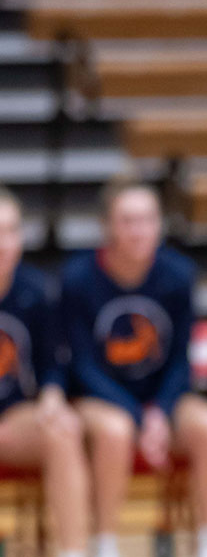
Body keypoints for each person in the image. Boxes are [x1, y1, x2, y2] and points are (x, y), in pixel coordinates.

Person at [62, 179, 207, 557]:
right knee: (115, 431)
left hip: (162, 398)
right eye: (128, 221)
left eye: (147, 220)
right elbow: (83, 365)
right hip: (101, 398)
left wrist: (160, 411)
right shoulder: (77, 279)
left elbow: (179, 360)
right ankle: (104, 542)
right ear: (107, 227)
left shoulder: (179, 275)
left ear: (159, 224)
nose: (139, 230)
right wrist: (140, 416)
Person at [0, 186, 89, 557]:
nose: (2, 243)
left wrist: (52, 398)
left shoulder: (35, 291)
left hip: (12, 417)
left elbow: (51, 365)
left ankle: (74, 550)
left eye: (10, 231)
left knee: (63, 432)